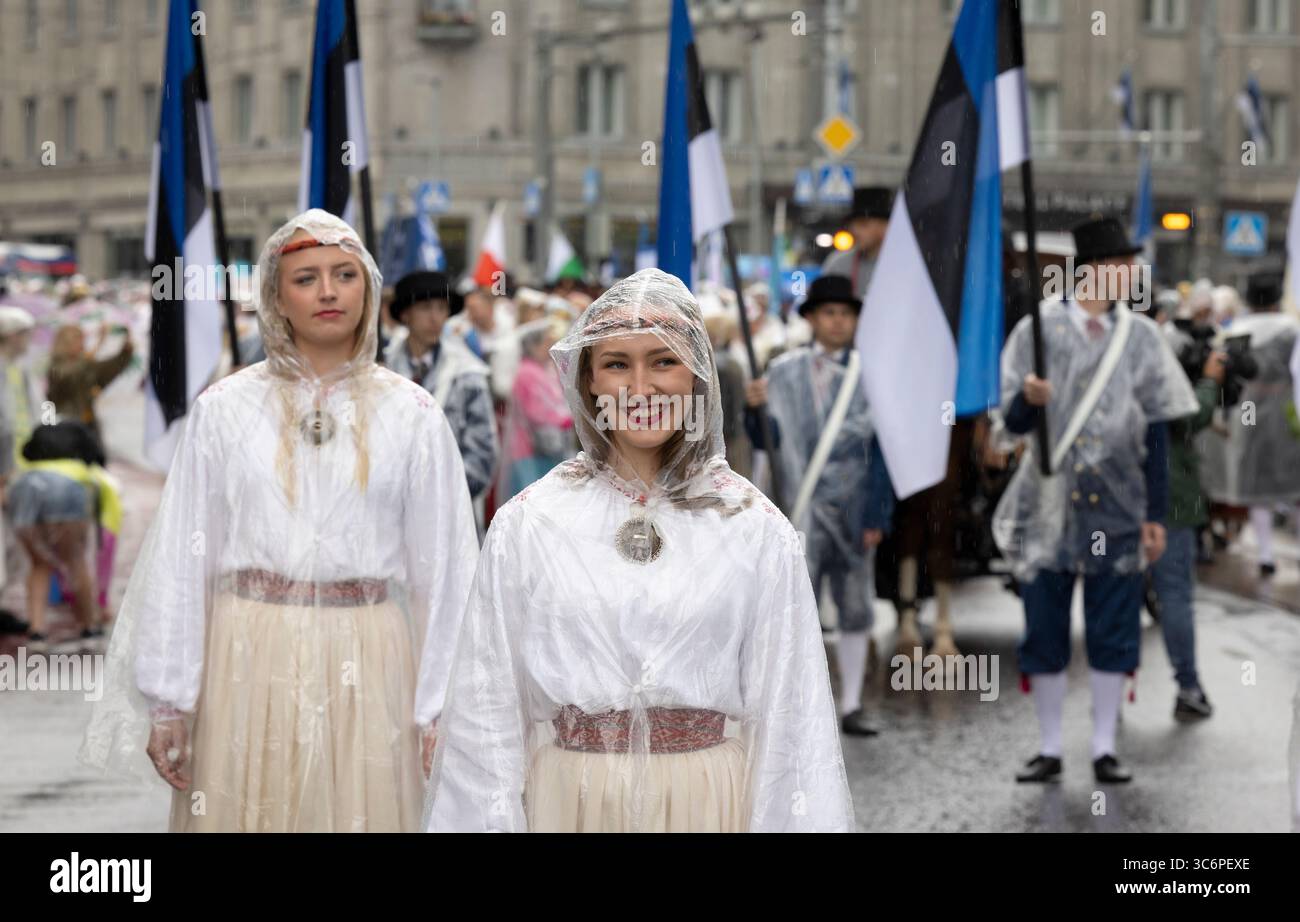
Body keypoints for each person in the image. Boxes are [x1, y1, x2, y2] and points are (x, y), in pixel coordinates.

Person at [81, 210, 480, 832]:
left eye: (345, 275)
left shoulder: (414, 415)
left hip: (369, 653)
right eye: (307, 278)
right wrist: (170, 700)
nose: (328, 291)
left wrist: (441, 708)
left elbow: (446, 570)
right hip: (247, 647)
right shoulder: (224, 410)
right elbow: (186, 559)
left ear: (369, 292)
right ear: (275, 297)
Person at [423, 268, 854, 833]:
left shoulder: (755, 528)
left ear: (697, 375)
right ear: (589, 382)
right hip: (570, 801)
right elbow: (487, 705)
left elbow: (793, 715)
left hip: (706, 801)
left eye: (664, 361)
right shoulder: (530, 523)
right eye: (617, 364)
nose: (641, 387)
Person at [994, 217, 1198, 784]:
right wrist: (1028, 401)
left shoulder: (1142, 338)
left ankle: (1105, 747)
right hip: (1049, 499)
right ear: (1093, 270)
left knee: (1113, 626)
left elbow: (1157, 429)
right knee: (1044, 625)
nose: (1131, 274)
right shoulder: (1037, 331)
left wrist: (1156, 513)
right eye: (1121, 264)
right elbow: (1009, 423)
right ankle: (1052, 747)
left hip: (1119, 501)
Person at [743, 273, 894, 738]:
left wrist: (877, 513)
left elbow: (885, 449)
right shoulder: (783, 371)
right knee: (792, 605)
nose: (837, 321)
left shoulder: (872, 375)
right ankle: (791, 706)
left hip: (852, 505)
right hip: (798, 506)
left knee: (854, 603)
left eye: (846, 314)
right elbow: (763, 440)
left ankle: (850, 703)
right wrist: (753, 410)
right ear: (811, 318)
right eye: (829, 312)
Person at [1199, 271, 1300, 578]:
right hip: (1286, 412)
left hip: (1247, 413)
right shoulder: (1291, 331)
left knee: (1257, 487)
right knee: (1293, 484)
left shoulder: (1232, 333)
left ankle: (1266, 554)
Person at [1151, 317, 1222, 721]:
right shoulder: (1155, 355)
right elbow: (1188, 417)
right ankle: (1189, 686)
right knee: (1175, 594)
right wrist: (1210, 382)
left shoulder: (1115, 344)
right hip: (1170, 495)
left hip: (1123, 493)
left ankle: (1111, 689)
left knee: (1119, 595)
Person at [384, 270, 499, 501]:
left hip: (451, 509)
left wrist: (439, 497)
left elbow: (482, 454)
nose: (435, 318)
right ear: (406, 314)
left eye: (441, 308)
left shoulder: (467, 372)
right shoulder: (383, 372)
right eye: (426, 308)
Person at [498, 316, 574, 498]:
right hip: (529, 448)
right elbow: (537, 411)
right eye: (544, 342)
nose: (548, 347)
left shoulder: (542, 368)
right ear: (532, 345)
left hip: (545, 447)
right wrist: (564, 418)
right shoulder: (527, 372)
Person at [46, 322, 134, 448]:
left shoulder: (85, 364)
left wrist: (125, 352)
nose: (82, 345)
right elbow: (70, 375)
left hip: (87, 423)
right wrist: (98, 344)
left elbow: (105, 370)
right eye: (78, 340)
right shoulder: (56, 367)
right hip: (64, 424)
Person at [821, 187, 893, 301]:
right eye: (852, 225)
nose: (854, 231)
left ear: (886, 226)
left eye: (863, 224)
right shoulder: (838, 265)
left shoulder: (902, 265)